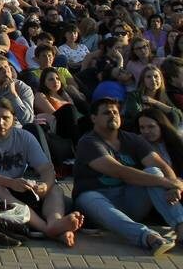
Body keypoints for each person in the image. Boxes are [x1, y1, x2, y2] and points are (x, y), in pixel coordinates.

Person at [0, 97, 85, 246]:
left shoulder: (25, 137)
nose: (0, 122)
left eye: (5, 118)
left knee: (55, 189)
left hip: (17, 186)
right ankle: (47, 229)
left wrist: (45, 185)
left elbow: (47, 168)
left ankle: (56, 223)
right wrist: (10, 183)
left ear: (13, 119)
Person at [72, 98, 183, 256]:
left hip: (129, 198)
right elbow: (120, 171)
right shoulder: (88, 142)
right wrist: (169, 182)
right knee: (89, 198)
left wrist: (174, 186)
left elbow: (162, 166)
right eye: (106, 112)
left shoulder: (132, 139)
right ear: (93, 118)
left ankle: (181, 226)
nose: (112, 116)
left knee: (154, 172)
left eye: (115, 112)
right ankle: (148, 237)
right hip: (97, 198)